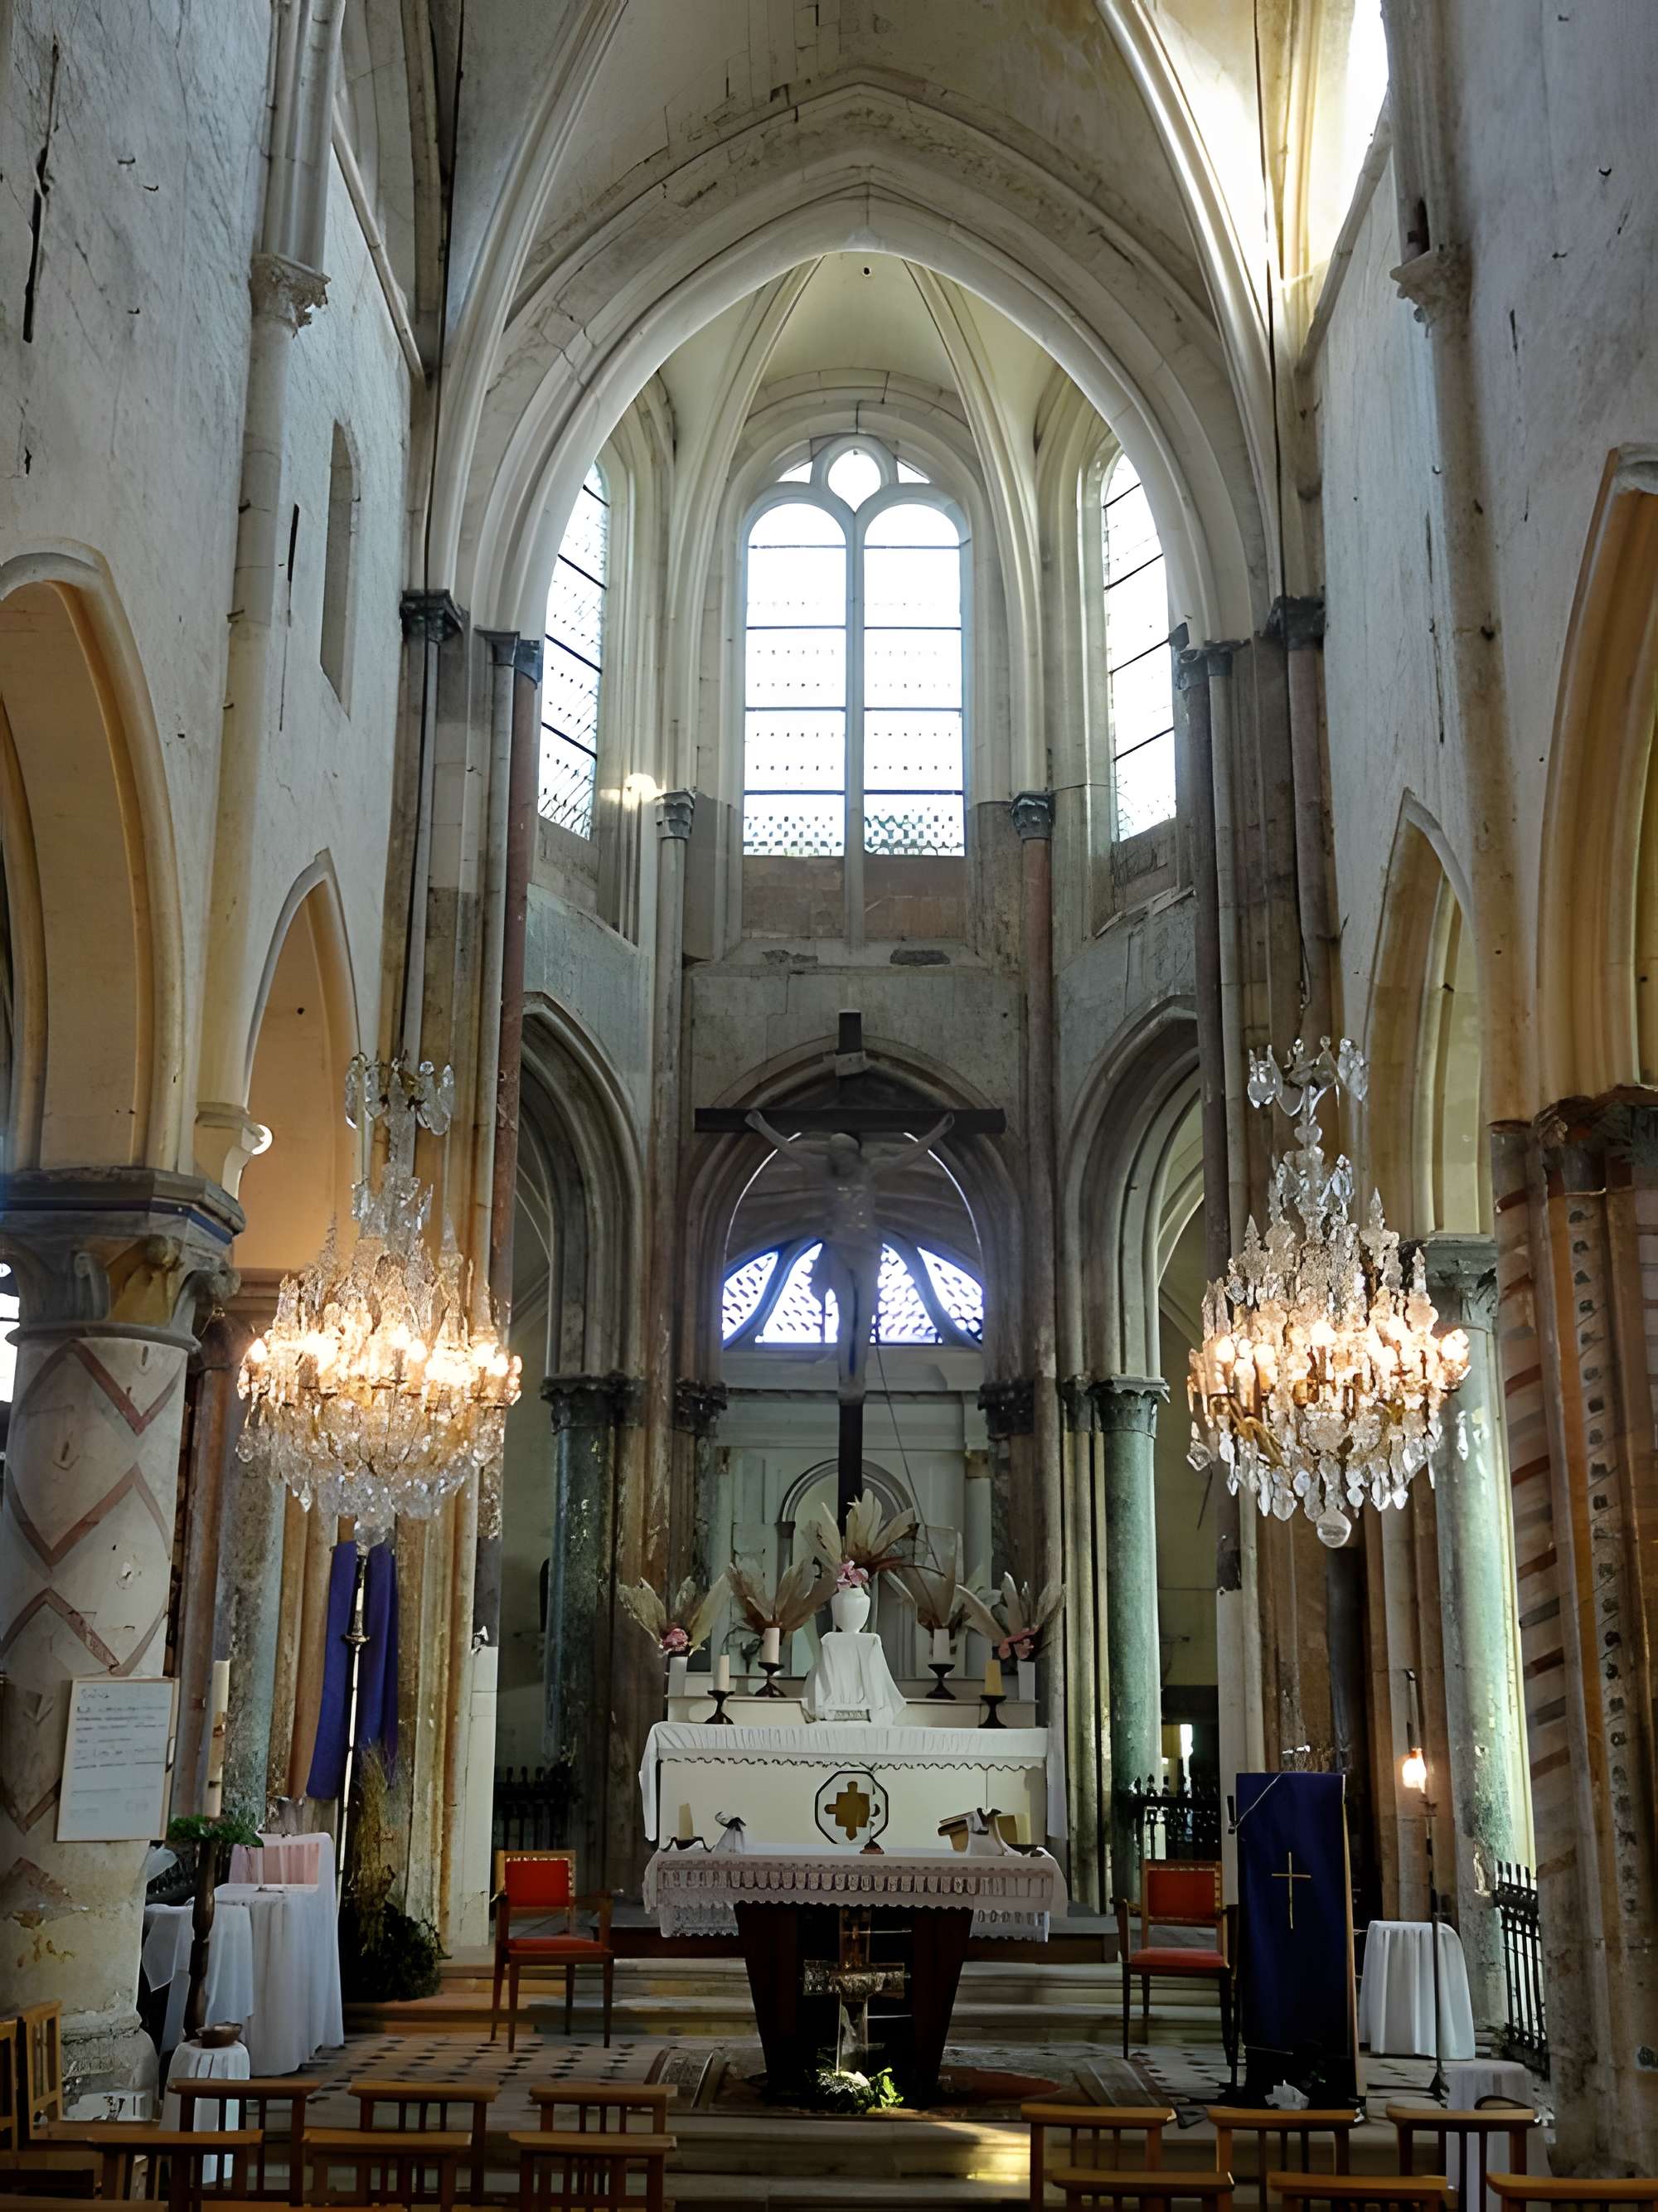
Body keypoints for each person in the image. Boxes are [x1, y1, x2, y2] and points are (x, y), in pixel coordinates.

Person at [744, 1109, 955, 1401]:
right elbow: (790, 1151)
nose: (837, 1160)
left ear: (853, 1154)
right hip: (838, 1248)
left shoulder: (871, 1171)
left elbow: (908, 1156)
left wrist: (937, 1133)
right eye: (833, 1155)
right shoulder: (825, 1173)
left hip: (867, 1250)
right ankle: (845, 1378)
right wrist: (763, 1127)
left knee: (864, 1316)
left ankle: (860, 1377)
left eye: (841, 1155)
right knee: (846, 1316)